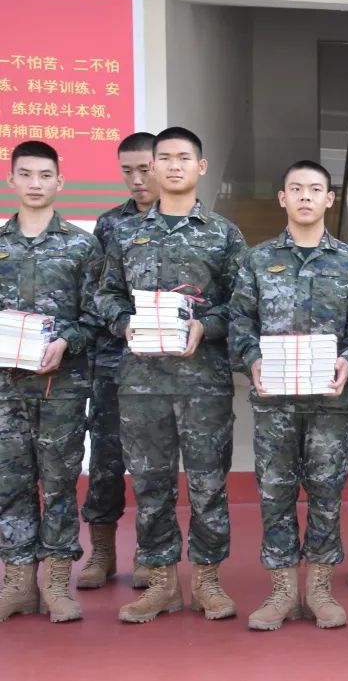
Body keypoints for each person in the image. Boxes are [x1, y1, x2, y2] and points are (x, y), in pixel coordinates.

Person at [96, 127, 247, 623]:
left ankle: (207, 580)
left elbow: (242, 305)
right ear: (154, 167)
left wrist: (207, 325)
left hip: (203, 382)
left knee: (208, 483)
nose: (174, 166)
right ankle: (161, 582)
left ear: (200, 167)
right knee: (150, 484)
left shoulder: (224, 234)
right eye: (165, 158)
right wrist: (125, 323)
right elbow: (105, 294)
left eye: (184, 158)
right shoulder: (124, 233)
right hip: (141, 382)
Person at [230, 160, 348, 630]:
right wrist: (251, 358)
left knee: (327, 491)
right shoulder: (256, 259)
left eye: (315, 189)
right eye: (296, 189)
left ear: (330, 199)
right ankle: (281, 591)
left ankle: (319, 589)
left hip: (330, 401)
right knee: (275, 491)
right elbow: (239, 322)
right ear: (283, 198)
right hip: (275, 401)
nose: (306, 197)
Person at [0, 141, 102, 623]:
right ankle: (18, 582)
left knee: (60, 482)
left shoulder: (82, 246)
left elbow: (96, 316)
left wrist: (66, 341)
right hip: (6, 388)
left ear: (60, 182)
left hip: (61, 386)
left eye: (45, 175)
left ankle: (58, 582)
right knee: (11, 481)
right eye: (26, 174)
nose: (35, 184)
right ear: (11, 180)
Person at [78, 132, 158, 591]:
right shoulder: (110, 224)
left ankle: (150, 554)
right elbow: (96, 293)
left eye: (144, 169)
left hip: (165, 365)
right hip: (114, 360)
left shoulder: (192, 224)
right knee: (107, 460)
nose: (136, 179)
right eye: (127, 171)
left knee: (153, 465)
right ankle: (102, 552)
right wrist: (120, 324)